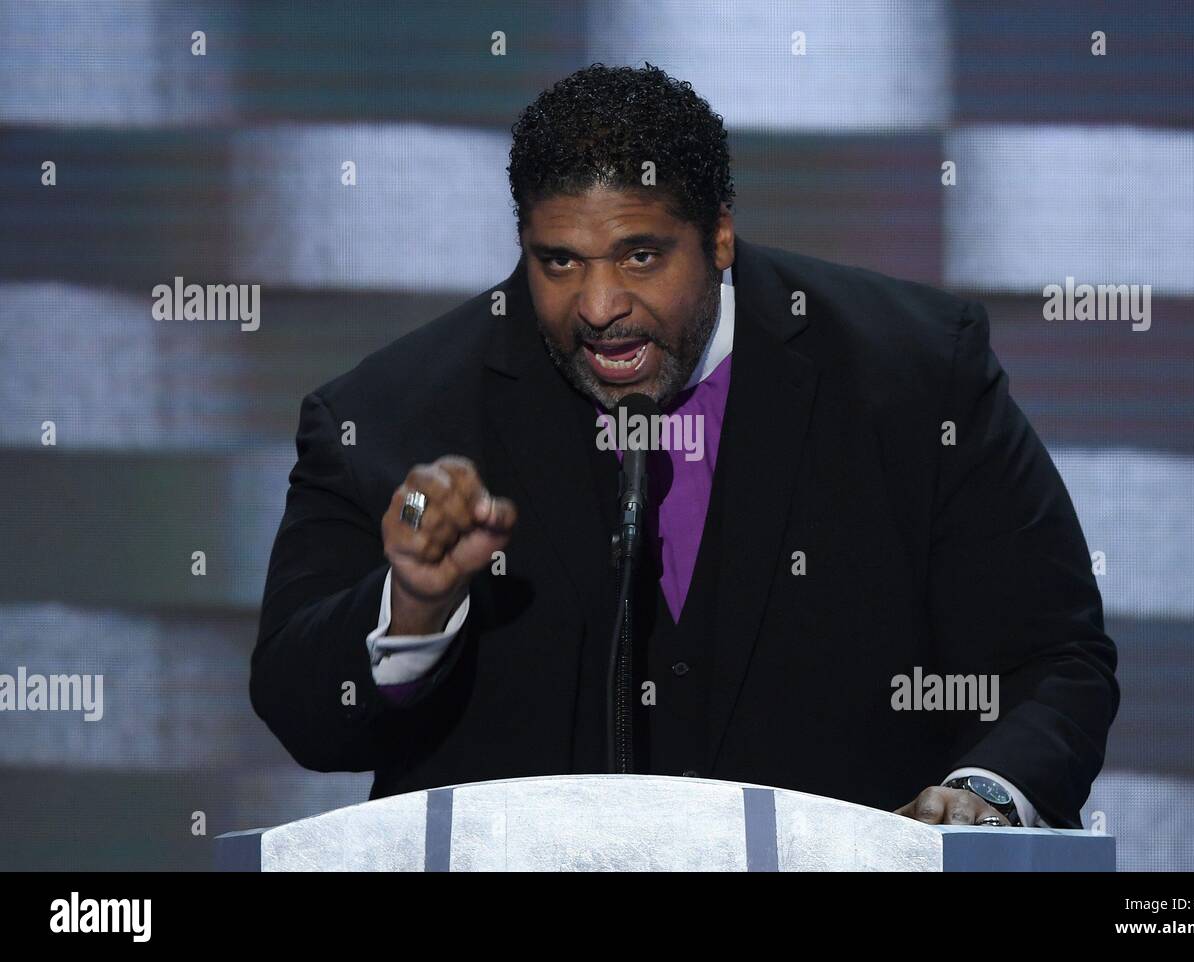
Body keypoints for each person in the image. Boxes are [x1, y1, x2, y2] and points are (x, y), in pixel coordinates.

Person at [250, 62, 1119, 830]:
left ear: (719, 236)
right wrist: (413, 607)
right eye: (558, 262)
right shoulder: (394, 414)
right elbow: (301, 709)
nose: (598, 306)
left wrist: (987, 794)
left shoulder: (914, 375)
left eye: (639, 256)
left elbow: (1052, 658)